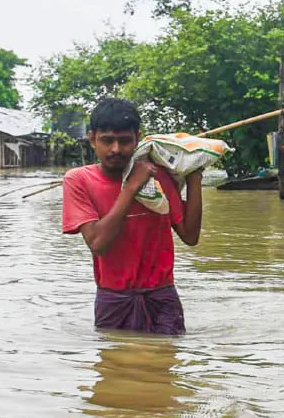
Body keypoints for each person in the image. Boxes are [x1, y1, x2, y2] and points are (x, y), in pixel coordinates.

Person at [62, 98, 203, 335]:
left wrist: (194, 176)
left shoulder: (158, 176)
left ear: (138, 139)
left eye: (125, 141)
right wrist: (131, 188)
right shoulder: (79, 180)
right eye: (107, 141)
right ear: (92, 139)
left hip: (162, 298)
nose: (116, 149)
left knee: (165, 369)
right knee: (115, 368)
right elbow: (98, 244)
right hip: (114, 300)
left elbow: (190, 236)